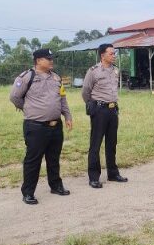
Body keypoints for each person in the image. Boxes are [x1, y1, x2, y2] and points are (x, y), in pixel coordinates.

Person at [10, 49, 73, 205]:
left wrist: (67, 116)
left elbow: (62, 99)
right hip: (36, 126)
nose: (51, 61)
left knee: (54, 158)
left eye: (52, 58)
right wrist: (29, 109)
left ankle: (56, 186)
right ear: (38, 60)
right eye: (48, 58)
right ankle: (28, 192)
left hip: (55, 125)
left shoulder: (56, 77)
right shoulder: (26, 77)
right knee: (33, 160)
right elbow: (15, 97)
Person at [82, 43, 127, 188]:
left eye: (114, 53)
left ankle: (113, 173)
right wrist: (93, 106)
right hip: (99, 110)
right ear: (102, 55)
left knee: (111, 143)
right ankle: (94, 176)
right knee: (95, 144)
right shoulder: (93, 71)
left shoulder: (115, 71)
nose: (114, 56)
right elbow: (86, 92)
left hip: (113, 110)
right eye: (111, 54)